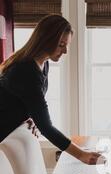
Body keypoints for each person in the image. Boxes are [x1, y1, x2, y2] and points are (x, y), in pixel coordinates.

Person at [0, 14, 102, 165]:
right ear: (45, 40)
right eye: (61, 45)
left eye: (66, 45)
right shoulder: (26, 70)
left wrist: (29, 116)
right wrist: (82, 155)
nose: (65, 51)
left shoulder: (43, 64)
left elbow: (28, 101)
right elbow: (46, 127)